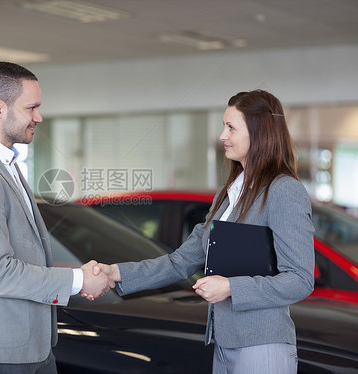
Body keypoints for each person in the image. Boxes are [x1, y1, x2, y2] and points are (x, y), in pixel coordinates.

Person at [91, 89, 315, 374]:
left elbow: (299, 279)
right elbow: (181, 261)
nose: (222, 136)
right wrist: (115, 274)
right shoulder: (228, 194)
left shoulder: (283, 191)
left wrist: (231, 287)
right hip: (223, 341)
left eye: (231, 127)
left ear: (260, 133)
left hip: (261, 345)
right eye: (224, 126)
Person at [0, 61, 113, 374]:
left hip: (24, 347)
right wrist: (79, 280)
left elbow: (25, 253)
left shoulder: (3, 163)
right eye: (32, 107)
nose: (39, 117)